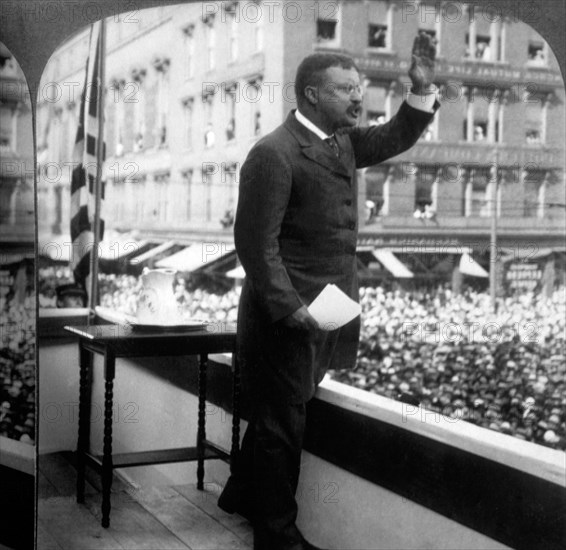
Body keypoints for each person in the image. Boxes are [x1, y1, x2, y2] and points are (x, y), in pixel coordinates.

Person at [218, 33, 439, 550]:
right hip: (284, 319)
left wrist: (421, 91)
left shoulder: (342, 141)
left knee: (283, 413)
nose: (359, 98)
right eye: (346, 90)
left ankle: (243, 495)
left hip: (327, 315)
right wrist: (289, 309)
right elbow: (255, 244)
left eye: (359, 88)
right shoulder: (273, 154)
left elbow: (394, 136)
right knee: (281, 427)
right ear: (312, 95)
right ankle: (276, 537)